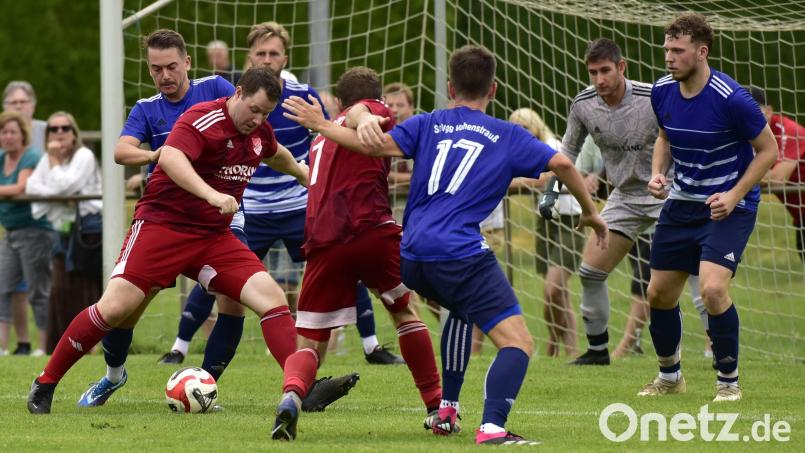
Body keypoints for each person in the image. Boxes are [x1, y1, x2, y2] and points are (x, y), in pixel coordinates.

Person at [281, 45, 608, 445]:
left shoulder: (427, 123)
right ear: (494, 89)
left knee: (458, 307)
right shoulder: (507, 134)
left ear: (450, 86)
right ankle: (492, 429)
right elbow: (563, 165)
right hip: (459, 252)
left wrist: (322, 123)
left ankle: (445, 409)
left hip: (412, 254)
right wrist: (591, 213)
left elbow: (371, 146)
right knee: (519, 342)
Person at [82, 29, 354, 412]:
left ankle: (214, 386)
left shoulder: (219, 89)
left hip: (221, 215)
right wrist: (157, 155)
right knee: (128, 307)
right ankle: (113, 375)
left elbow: (261, 130)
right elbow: (121, 151)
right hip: (165, 217)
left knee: (237, 299)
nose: (165, 75)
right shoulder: (147, 108)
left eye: (171, 66)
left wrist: (305, 171)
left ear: (187, 62)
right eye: (156, 68)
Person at [26, 67, 311, 415]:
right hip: (162, 227)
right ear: (238, 93)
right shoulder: (203, 118)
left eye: (265, 113)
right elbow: (173, 157)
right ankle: (46, 382)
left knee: (271, 298)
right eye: (254, 109)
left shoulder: (259, 132)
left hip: (212, 237)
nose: (258, 119)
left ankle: (298, 391)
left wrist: (302, 172)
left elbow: (274, 150)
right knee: (116, 308)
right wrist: (211, 195)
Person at [160, 21, 402, 368]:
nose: (268, 59)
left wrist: (316, 182)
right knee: (220, 277)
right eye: (261, 53)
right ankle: (180, 347)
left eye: (274, 53)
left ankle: (372, 345)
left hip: (297, 204)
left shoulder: (303, 95)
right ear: (250, 57)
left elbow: (331, 136)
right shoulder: (236, 95)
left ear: (285, 56)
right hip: (252, 206)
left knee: (344, 259)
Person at [268, 67, 442, 441]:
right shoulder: (370, 111)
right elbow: (367, 113)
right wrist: (364, 115)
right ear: (371, 97)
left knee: (312, 340)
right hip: (369, 231)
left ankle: (291, 398)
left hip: (322, 242)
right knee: (402, 310)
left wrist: (327, 122)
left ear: (339, 100)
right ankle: (435, 405)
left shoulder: (319, 140)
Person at [639, 13, 778, 402]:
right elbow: (665, 136)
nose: (668, 57)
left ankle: (728, 383)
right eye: (666, 49)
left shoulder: (732, 98)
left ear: (701, 52)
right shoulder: (661, 91)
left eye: (677, 50)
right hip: (682, 204)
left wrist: (734, 195)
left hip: (728, 207)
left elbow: (769, 151)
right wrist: (657, 174)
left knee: (714, 290)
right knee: (659, 296)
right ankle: (669, 377)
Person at [547, 38, 668, 366]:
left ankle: (717, 352)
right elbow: (567, 152)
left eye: (605, 71)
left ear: (621, 67)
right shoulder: (583, 104)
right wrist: (550, 191)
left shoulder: (653, 98)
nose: (599, 79)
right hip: (625, 198)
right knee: (590, 272)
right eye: (592, 72)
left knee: (698, 278)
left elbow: (681, 139)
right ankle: (598, 351)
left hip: (668, 192)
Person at [25, 112, 103, 354]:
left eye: (65, 128)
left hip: (87, 234)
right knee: (59, 290)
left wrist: (57, 171)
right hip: (62, 232)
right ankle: (63, 347)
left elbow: (68, 186)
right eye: (54, 128)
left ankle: (89, 347)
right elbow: (31, 186)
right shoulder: (47, 159)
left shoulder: (84, 155)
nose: (59, 133)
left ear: (74, 132)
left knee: (85, 291)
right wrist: (60, 194)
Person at [0, 111, 53, 357]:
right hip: (10, 232)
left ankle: (43, 346)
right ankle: (5, 346)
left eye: (12, 131)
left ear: (23, 135)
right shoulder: (1, 158)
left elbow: (21, 186)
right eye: (4, 132)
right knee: (3, 287)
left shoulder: (31, 156)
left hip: (35, 232)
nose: (8, 136)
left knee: (37, 291)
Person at [751, 86, 805, 261]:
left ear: (768, 111)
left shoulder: (789, 130)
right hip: (801, 218)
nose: (749, 117)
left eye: (754, 111)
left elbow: (776, 180)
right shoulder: (746, 137)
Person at [3, 81, 47, 154]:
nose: (18, 107)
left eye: (23, 102)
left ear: (33, 106)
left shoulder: (47, 130)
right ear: (5, 108)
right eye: (14, 102)